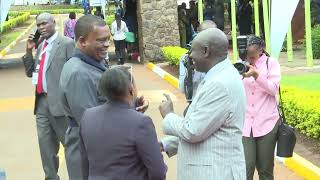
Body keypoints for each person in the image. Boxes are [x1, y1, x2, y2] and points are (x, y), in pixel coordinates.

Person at [60, 15, 148, 180]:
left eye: (108, 39)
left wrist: (133, 105)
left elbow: (108, 107)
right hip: (90, 158)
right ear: (82, 41)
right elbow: (92, 124)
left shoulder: (92, 63)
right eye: (100, 40)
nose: (107, 44)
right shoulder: (78, 73)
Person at [159, 28, 246, 180]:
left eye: (192, 51)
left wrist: (168, 115)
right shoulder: (219, 76)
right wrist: (165, 144)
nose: (190, 56)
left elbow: (193, 131)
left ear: (205, 51)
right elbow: (208, 129)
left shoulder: (220, 84)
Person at [80, 67, 167, 180]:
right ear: (131, 90)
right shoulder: (141, 122)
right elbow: (158, 172)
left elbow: (85, 164)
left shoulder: (88, 116)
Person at [22, 12, 75, 180]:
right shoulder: (41, 45)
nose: (41, 27)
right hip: (41, 104)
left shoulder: (67, 44)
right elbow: (31, 73)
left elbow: (74, 73)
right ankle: (51, 177)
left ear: (54, 22)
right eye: (38, 25)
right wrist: (29, 51)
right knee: (45, 147)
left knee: (70, 146)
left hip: (61, 104)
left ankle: (78, 176)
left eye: (45, 23)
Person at [241, 35, 281, 180]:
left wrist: (257, 75)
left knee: (265, 169)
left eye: (252, 56)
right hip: (245, 124)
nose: (250, 59)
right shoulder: (241, 64)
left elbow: (273, 89)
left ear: (260, 50)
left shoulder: (271, 63)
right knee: (246, 166)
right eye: (247, 56)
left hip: (267, 123)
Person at [178, 20, 217, 113]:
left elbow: (183, 89)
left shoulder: (186, 57)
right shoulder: (187, 59)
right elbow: (184, 89)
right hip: (197, 108)